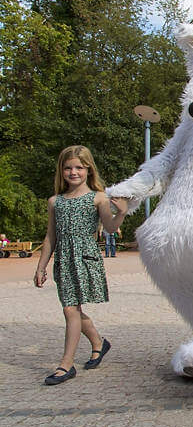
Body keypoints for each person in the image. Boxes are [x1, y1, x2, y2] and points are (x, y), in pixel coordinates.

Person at [34, 145, 129, 385]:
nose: (73, 172)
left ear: (88, 169)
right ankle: (98, 343)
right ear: (61, 171)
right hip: (64, 260)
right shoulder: (55, 201)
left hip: (86, 258)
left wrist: (122, 213)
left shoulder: (98, 197)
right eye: (68, 168)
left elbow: (109, 228)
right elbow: (50, 237)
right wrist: (41, 266)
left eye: (79, 167)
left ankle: (66, 364)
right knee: (71, 308)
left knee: (70, 309)